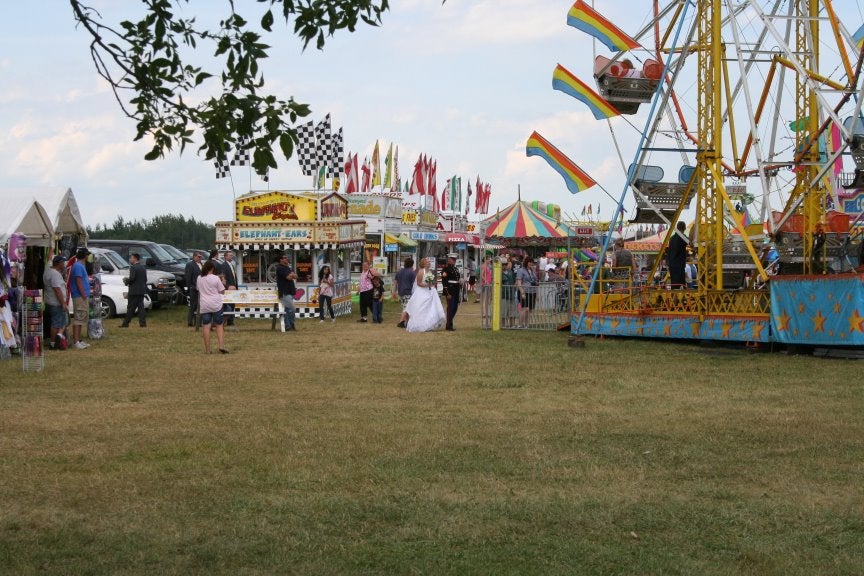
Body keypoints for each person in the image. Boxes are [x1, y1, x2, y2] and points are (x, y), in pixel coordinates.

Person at [405, 257, 446, 332]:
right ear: (423, 264)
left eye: (429, 262)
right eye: (427, 262)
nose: (429, 263)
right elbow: (419, 283)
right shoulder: (421, 271)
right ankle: (419, 325)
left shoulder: (429, 271)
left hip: (429, 291)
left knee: (431, 308)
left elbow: (431, 281)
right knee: (421, 308)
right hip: (422, 291)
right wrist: (427, 285)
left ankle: (429, 324)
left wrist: (433, 283)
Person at [197, 260, 228, 354]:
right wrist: (222, 282)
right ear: (212, 269)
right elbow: (222, 291)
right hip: (215, 304)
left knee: (206, 326)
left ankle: (207, 349)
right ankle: (221, 346)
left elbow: (198, 289)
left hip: (204, 305)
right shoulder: (215, 278)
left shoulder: (199, 278)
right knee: (219, 325)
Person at [43, 255, 68, 349]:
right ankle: (54, 342)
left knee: (58, 322)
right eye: (63, 262)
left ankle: (59, 337)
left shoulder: (47, 270)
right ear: (59, 263)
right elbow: (57, 289)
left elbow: (49, 259)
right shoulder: (55, 274)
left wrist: (51, 246)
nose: (64, 264)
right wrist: (63, 303)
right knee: (56, 323)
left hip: (49, 301)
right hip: (56, 303)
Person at [68, 246, 91, 349]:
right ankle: (76, 341)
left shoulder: (81, 265)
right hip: (79, 296)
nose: (88, 256)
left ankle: (78, 340)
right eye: (87, 254)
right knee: (78, 317)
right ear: (84, 255)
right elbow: (78, 281)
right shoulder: (77, 266)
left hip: (82, 295)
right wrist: (83, 294)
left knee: (81, 318)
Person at [120, 252, 148, 328]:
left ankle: (125, 323)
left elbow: (132, 278)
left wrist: (127, 281)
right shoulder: (143, 267)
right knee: (141, 308)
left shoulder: (133, 267)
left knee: (130, 308)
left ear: (135, 258)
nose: (130, 259)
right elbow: (145, 279)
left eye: (131, 258)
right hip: (141, 290)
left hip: (134, 291)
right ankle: (143, 324)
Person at [275, 254, 297, 331]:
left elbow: (296, 276)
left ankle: (289, 326)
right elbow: (288, 277)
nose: (286, 259)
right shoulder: (280, 268)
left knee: (288, 310)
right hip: (284, 292)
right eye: (284, 258)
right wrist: (291, 275)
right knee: (292, 309)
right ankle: (290, 324)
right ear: (281, 260)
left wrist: (292, 275)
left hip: (290, 291)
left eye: (287, 258)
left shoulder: (288, 267)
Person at [516, 256, 539, 329]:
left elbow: (536, 282)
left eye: (532, 262)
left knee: (530, 309)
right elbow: (519, 282)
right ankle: (520, 324)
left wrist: (537, 293)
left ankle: (526, 325)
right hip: (525, 291)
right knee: (525, 309)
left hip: (533, 291)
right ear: (526, 262)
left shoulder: (533, 271)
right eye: (529, 262)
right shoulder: (521, 270)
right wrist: (522, 292)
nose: (531, 263)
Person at [441, 253, 461, 331]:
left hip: (456, 290)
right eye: (452, 260)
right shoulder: (446, 269)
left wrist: (460, 282)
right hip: (450, 290)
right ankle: (449, 325)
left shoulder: (455, 269)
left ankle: (449, 322)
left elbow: (456, 279)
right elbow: (444, 281)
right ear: (449, 260)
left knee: (455, 308)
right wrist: (447, 293)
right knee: (450, 308)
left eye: (455, 260)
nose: (454, 261)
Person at [393, 257, 415, 328]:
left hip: (400, 292)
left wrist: (394, 291)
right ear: (412, 264)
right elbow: (414, 284)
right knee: (406, 308)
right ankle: (401, 322)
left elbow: (395, 282)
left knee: (405, 307)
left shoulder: (399, 272)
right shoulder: (412, 272)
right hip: (408, 291)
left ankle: (407, 322)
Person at [667, 221, 689, 289]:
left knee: (674, 284)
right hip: (679, 264)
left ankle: (674, 298)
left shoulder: (671, 238)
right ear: (684, 228)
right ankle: (681, 298)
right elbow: (690, 243)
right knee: (681, 284)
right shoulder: (683, 237)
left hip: (671, 264)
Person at [184, 251, 202, 326]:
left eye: (201, 257)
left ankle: (198, 322)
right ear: (194, 257)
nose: (200, 258)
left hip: (200, 289)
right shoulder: (190, 264)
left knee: (200, 306)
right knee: (193, 306)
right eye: (199, 257)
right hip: (193, 288)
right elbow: (188, 277)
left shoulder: (201, 264)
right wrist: (190, 287)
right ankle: (190, 322)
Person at [500, 258, 518, 328]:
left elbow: (514, 281)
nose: (504, 266)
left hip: (511, 294)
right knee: (503, 312)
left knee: (512, 311)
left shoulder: (511, 272)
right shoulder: (498, 273)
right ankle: (503, 325)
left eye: (505, 264)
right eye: (502, 264)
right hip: (503, 295)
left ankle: (512, 325)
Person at [222, 250, 237, 328]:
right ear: (226, 257)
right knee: (229, 305)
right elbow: (223, 278)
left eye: (232, 255)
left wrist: (236, 286)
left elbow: (234, 277)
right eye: (230, 255)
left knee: (233, 304)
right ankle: (229, 320)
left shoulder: (231, 264)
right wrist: (228, 287)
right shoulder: (224, 265)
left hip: (234, 288)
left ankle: (231, 321)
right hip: (228, 289)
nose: (232, 256)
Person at [478, 256, 493, 320]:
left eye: (489, 260)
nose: (489, 260)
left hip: (489, 284)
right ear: (485, 260)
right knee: (485, 299)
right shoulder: (483, 266)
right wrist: (486, 281)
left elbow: (490, 275)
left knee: (488, 299)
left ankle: (487, 312)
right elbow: (482, 275)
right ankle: (484, 313)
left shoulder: (489, 267)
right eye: (488, 259)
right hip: (485, 285)